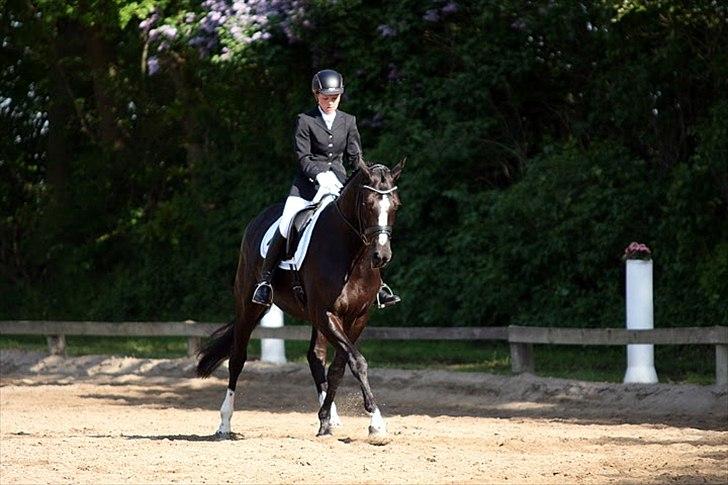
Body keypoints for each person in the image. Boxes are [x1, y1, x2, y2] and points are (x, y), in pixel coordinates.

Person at [251, 69, 401, 309]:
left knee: (363, 225)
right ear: (316, 95)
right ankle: (266, 282)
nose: (330, 102)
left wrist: (369, 173)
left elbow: (355, 156)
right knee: (286, 222)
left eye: (335, 97)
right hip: (307, 187)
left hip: (339, 185)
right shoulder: (305, 120)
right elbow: (303, 157)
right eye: (325, 97)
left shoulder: (348, 121)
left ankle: (378, 285)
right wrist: (319, 175)